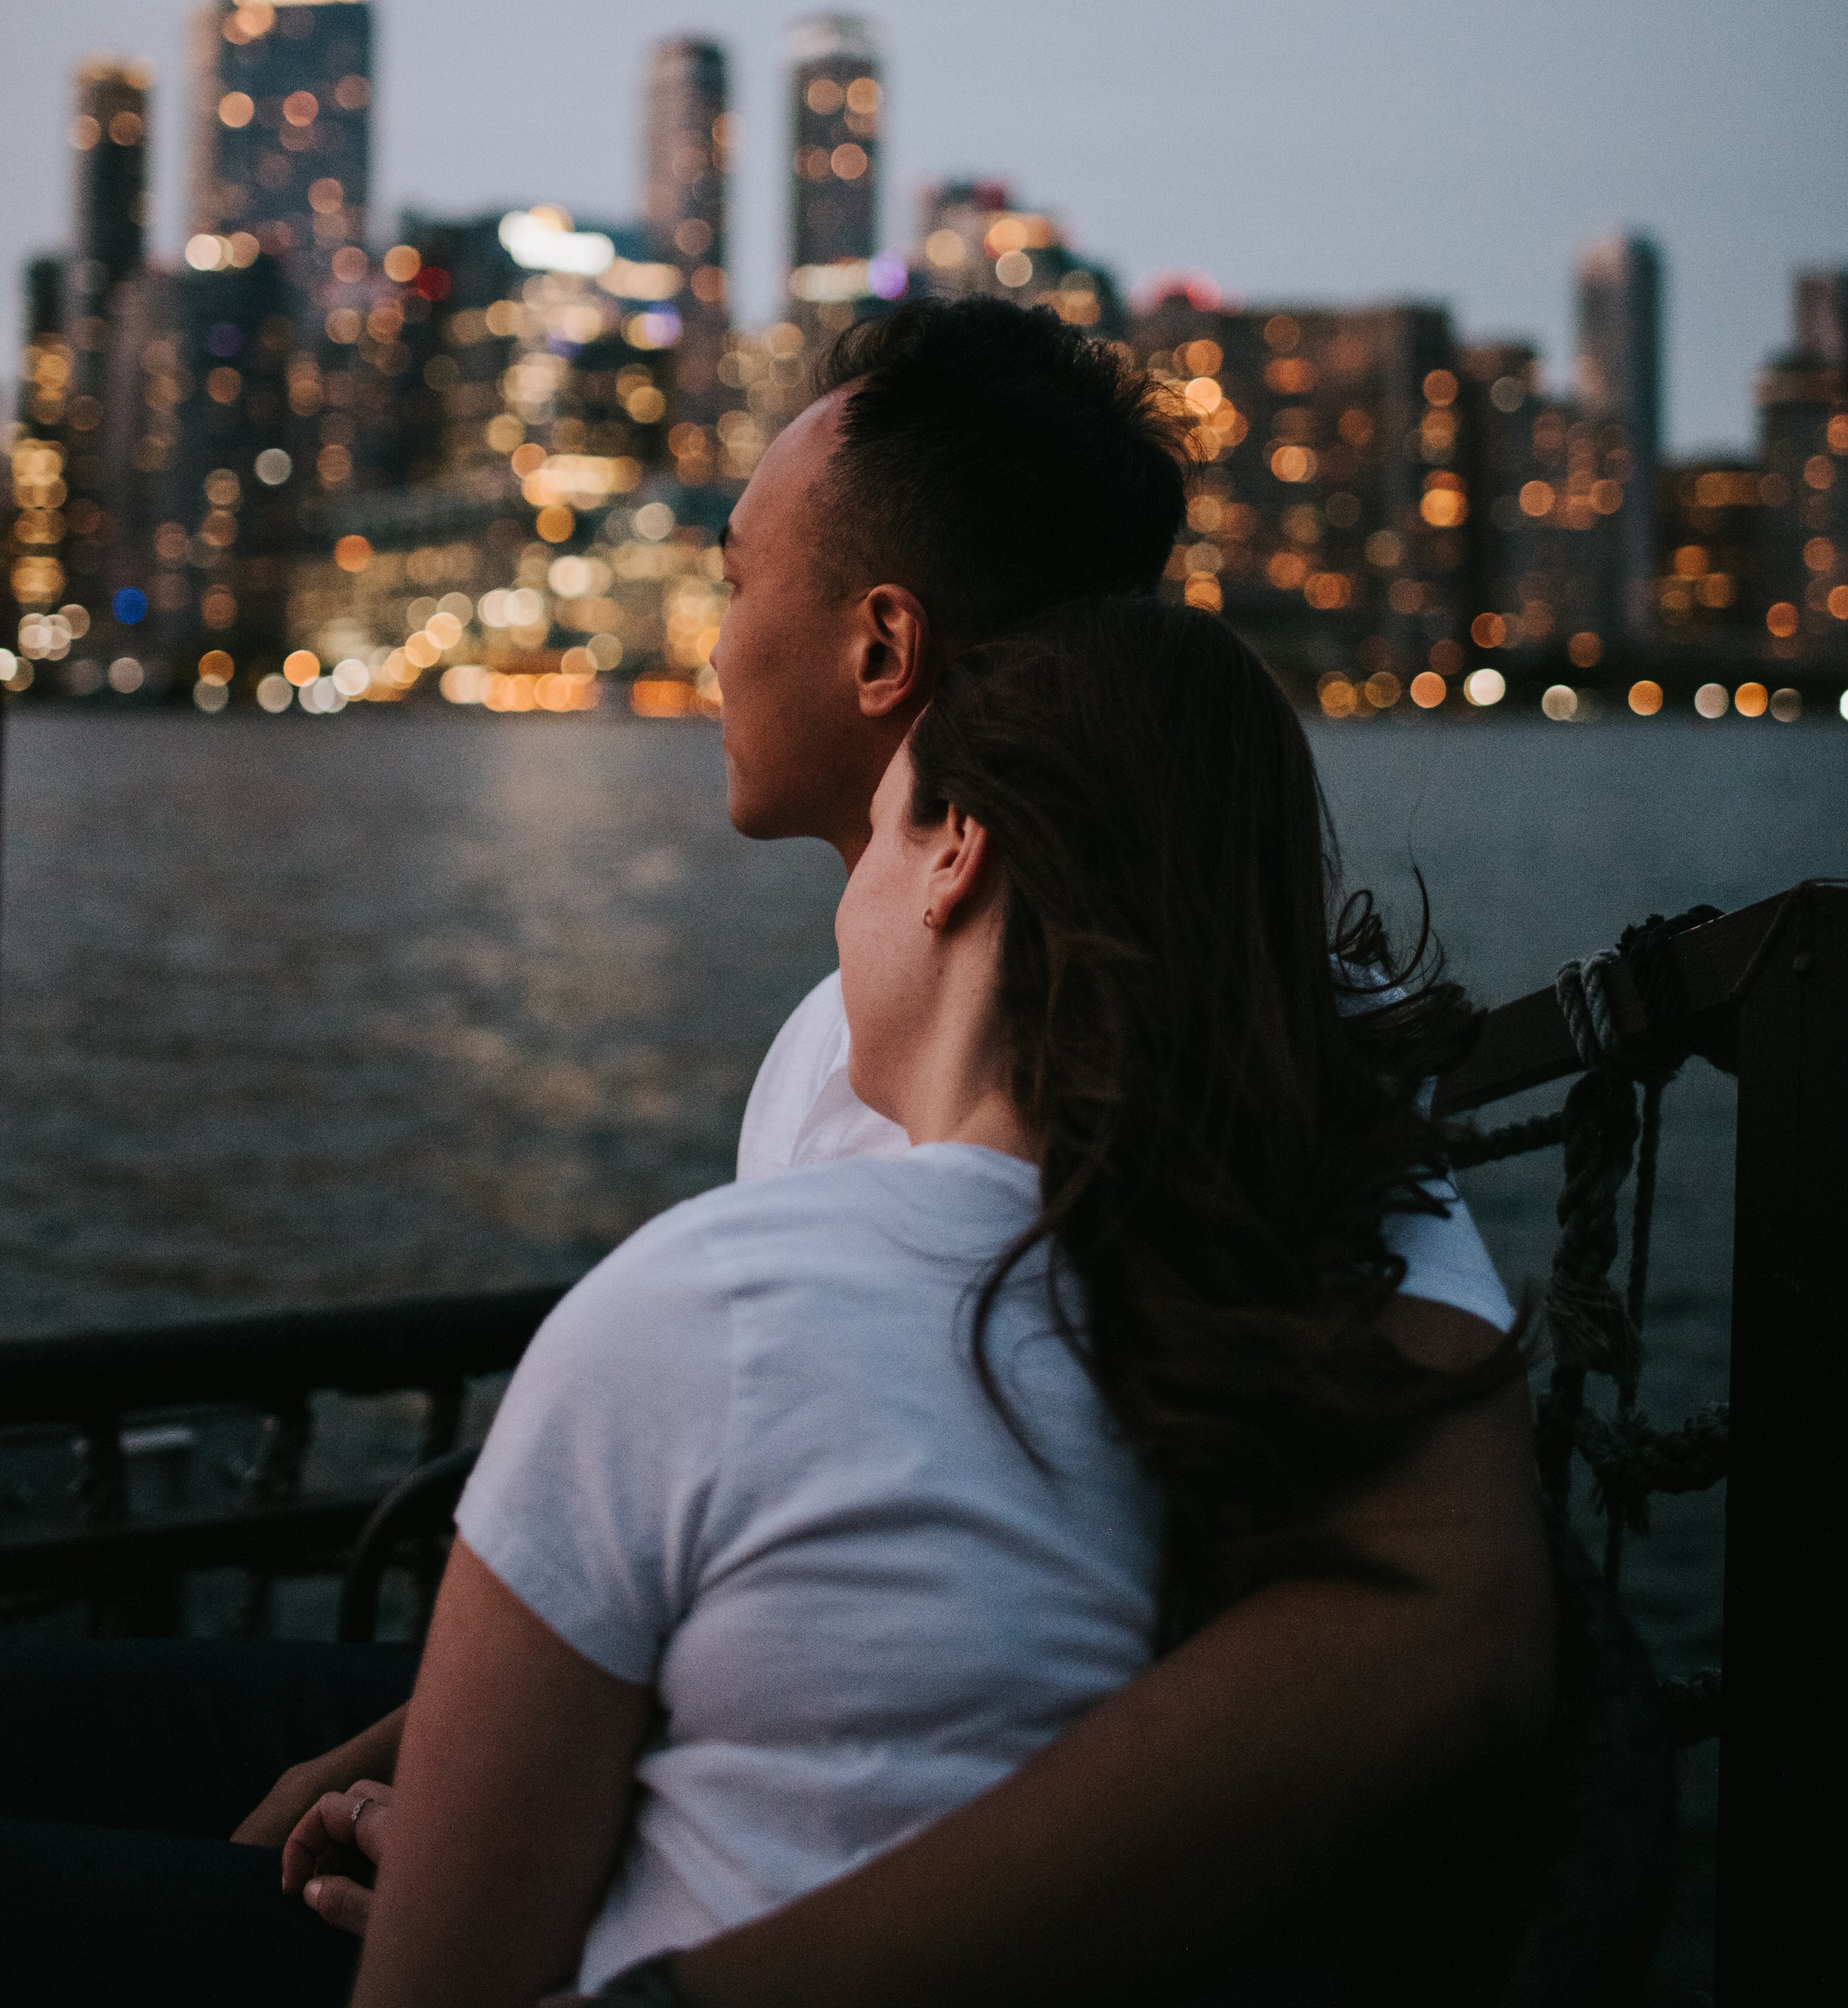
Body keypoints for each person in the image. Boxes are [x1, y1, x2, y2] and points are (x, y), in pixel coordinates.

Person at [0, 303, 1543, 2004]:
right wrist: (430, 1753)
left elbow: (1433, 1630)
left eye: (735, 582)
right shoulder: (838, 1034)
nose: (710, 642)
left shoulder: (1245, 1013)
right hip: (662, 1735)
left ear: (881, 649)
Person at [304, 596, 1549, 2008]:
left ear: (957, 846)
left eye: (741, 568)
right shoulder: (1269, 1292)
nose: (717, 632)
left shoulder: (696, 1307)